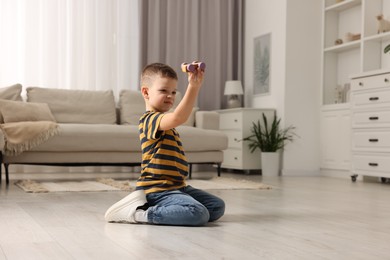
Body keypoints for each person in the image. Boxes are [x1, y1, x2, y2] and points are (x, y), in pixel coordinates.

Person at [105, 62, 225, 226]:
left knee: (216, 206)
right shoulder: (149, 119)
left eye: (173, 92)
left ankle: (175, 209)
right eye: (163, 91)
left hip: (178, 187)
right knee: (198, 213)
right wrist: (194, 87)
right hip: (157, 190)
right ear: (146, 92)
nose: (170, 96)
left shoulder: (165, 123)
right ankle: (139, 214)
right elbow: (178, 118)